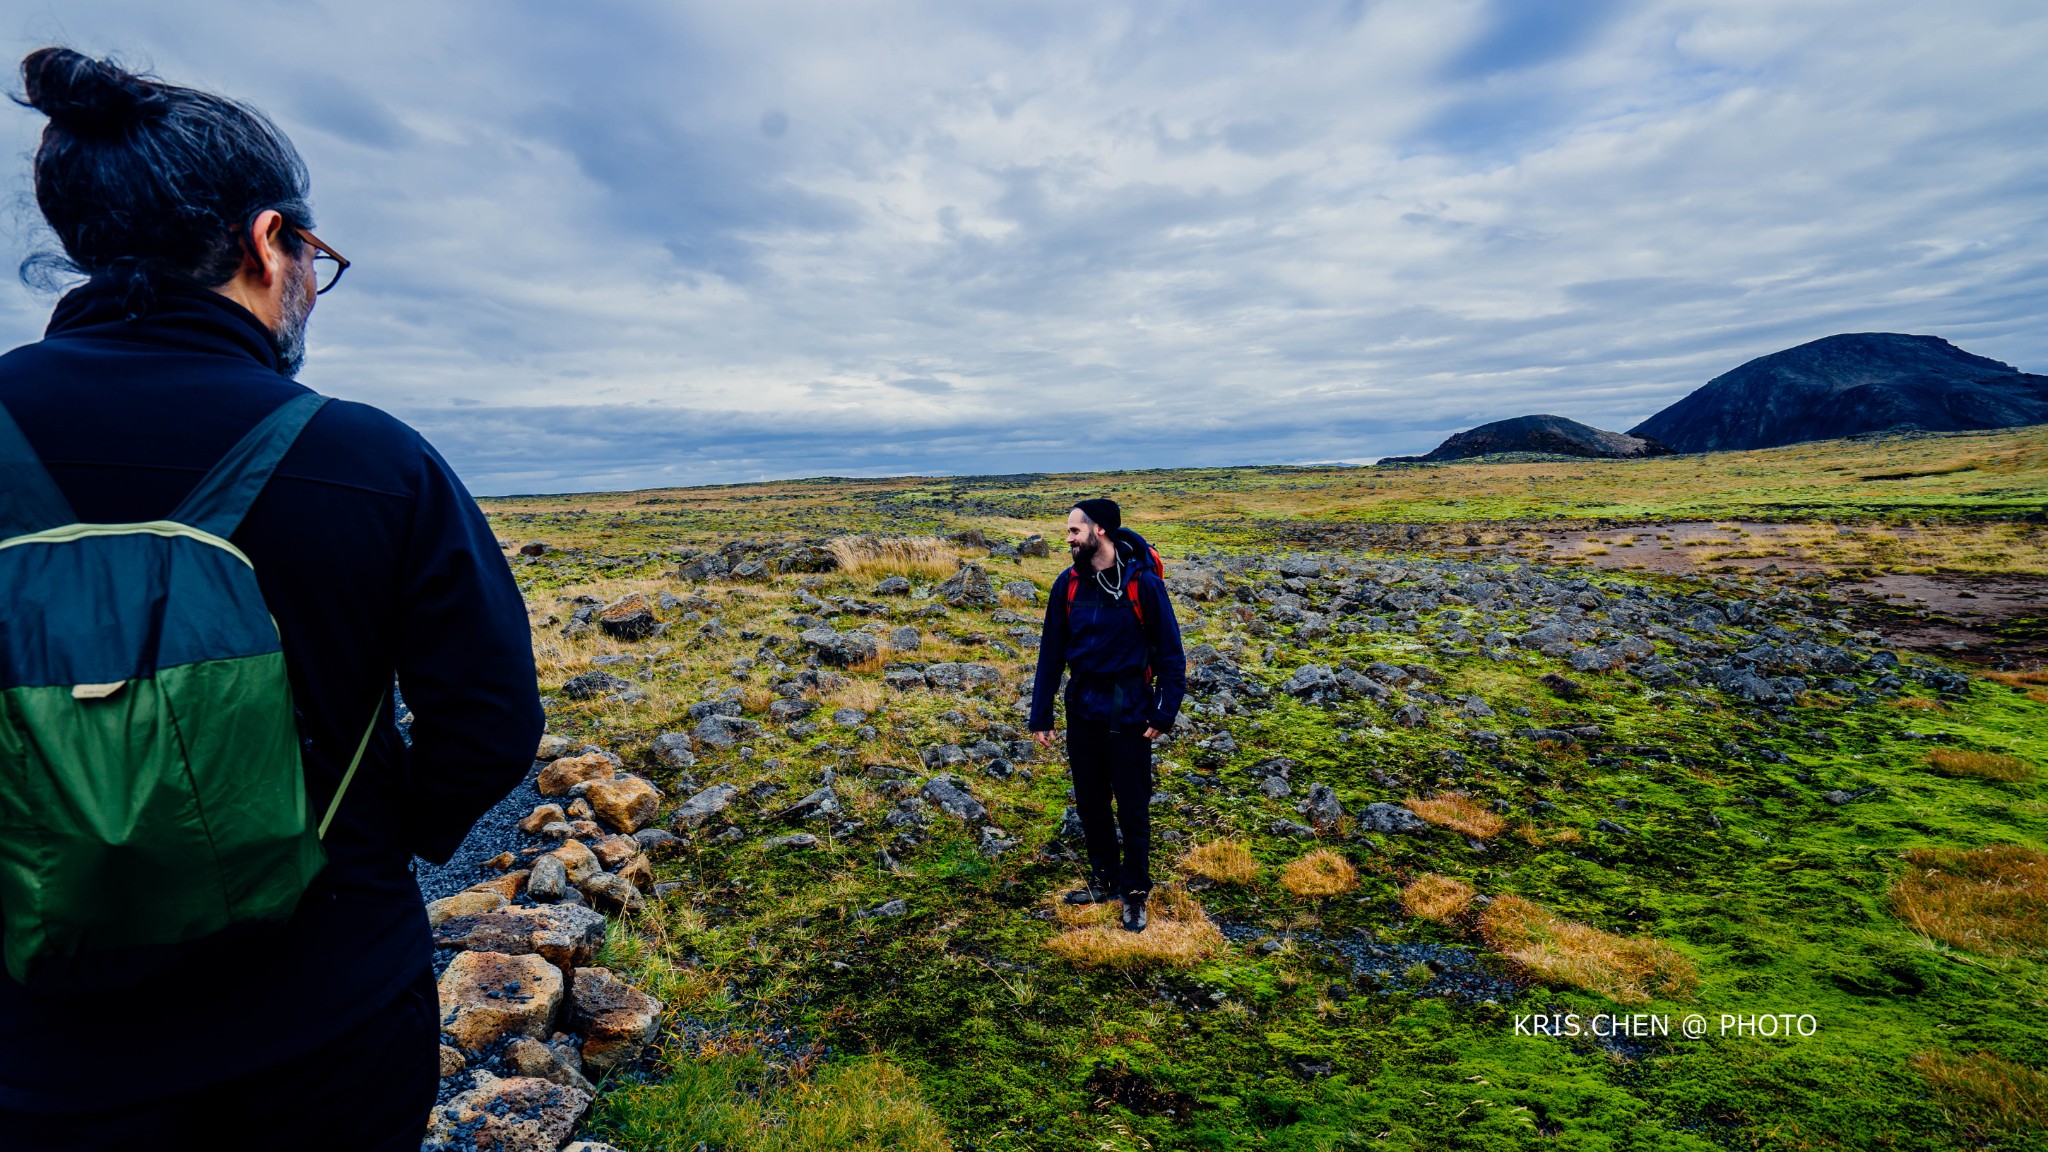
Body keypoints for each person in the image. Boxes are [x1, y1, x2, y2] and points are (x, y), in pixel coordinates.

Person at [0, 48, 542, 1149]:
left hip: (30, 1044)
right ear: (266, 242)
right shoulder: (372, 459)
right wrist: (357, 840)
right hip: (316, 1019)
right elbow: (488, 727)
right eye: (313, 255)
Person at [1029, 498, 1187, 933]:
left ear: (1099, 531)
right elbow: (1051, 653)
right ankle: (1104, 878)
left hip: (1132, 711)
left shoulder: (1143, 585)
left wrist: (1165, 712)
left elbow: (1172, 655)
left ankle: (1134, 893)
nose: (1068, 540)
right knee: (1091, 803)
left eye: (1074, 531)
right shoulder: (1068, 585)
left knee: (1133, 806)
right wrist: (1041, 715)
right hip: (1083, 709)